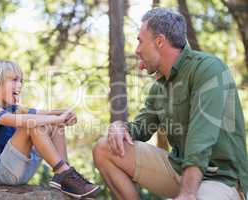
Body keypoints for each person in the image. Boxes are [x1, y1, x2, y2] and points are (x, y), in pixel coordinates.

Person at [92, 7, 248, 200]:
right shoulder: (159, 87)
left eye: (140, 41)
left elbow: (202, 138)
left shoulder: (208, 69)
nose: (137, 50)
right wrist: (119, 127)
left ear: (159, 41)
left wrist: (187, 193)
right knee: (104, 148)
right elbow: (141, 128)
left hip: (221, 179)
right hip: (179, 169)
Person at [0, 60, 100, 199]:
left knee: (51, 125)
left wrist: (66, 113)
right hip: (1, 174)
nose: (19, 85)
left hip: (20, 169)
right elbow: (26, 121)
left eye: (21, 80)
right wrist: (57, 118)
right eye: (14, 80)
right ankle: (63, 172)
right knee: (32, 125)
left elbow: (46, 113)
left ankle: (67, 177)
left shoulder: (16, 109)